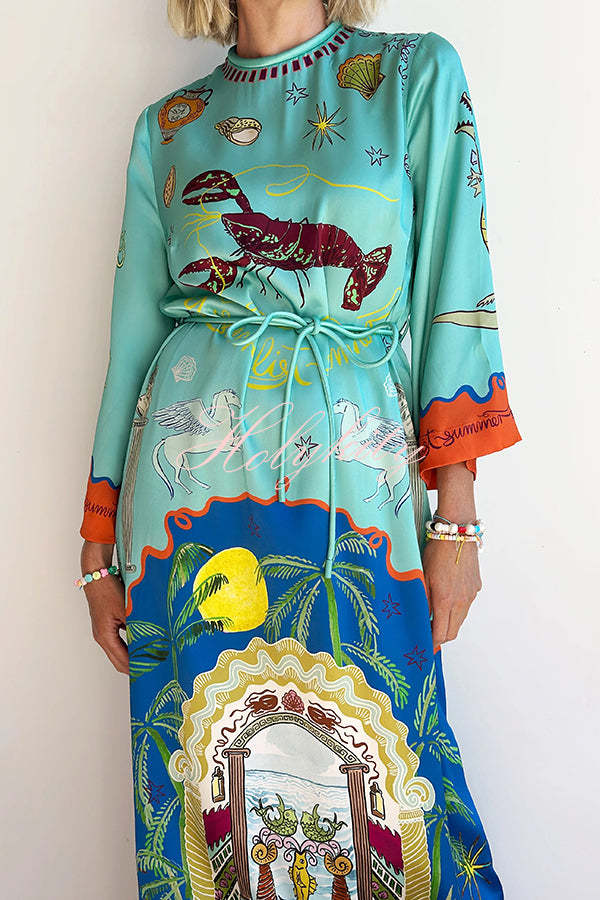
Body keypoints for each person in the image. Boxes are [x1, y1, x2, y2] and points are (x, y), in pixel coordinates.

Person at [78, 1, 522, 896]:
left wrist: (458, 519)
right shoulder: (169, 127)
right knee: (206, 774)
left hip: (351, 481)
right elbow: (131, 339)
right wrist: (96, 541)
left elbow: (454, 288)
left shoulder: (413, 76)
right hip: (186, 496)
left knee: (391, 766)